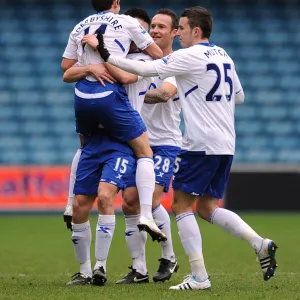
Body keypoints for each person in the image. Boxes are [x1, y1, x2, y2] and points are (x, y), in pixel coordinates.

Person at [93, 6, 278, 290]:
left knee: (180, 205)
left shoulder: (188, 55)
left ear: (196, 30)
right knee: (207, 207)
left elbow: (145, 68)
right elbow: (239, 96)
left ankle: (199, 277)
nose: (178, 34)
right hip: (226, 142)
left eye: (181, 28)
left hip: (200, 143)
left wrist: (107, 55)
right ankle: (259, 243)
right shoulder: (224, 55)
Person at [63, 8, 155, 286]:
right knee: (81, 205)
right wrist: (91, 65)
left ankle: (104, 266)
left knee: (107, 197)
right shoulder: (111, 54)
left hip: (120, 142)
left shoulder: (138, 61)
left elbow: (124, 77)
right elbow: (67, 71)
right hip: (95, 139)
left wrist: (101, 54)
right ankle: (84, 270)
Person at [115, 8, 181, 284]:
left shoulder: (178, 62)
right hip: (137, 142)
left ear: (175, 33)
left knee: (149, 201)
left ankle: (169, 257)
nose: (154, 31)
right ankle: (139, 268)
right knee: (129, 203)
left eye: (162, 27)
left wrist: (135, 94)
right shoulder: (136, 61)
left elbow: (166, 93)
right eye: (152, 26)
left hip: (165, 143)